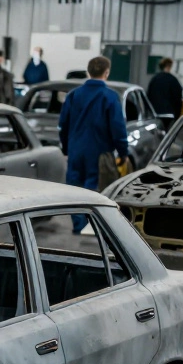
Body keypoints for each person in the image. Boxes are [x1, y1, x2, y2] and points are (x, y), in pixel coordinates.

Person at [59, 56, 129, 235]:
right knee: (94, 189)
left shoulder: (73, 95)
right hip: (99, 152)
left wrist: (66, 148)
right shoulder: (110, 96)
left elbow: (63, 124)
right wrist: (123, 152)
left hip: (75, 151)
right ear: (107, 73)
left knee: (74, 188)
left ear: (88, 72)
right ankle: (91, 227)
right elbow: (118, 127)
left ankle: (78, 225)